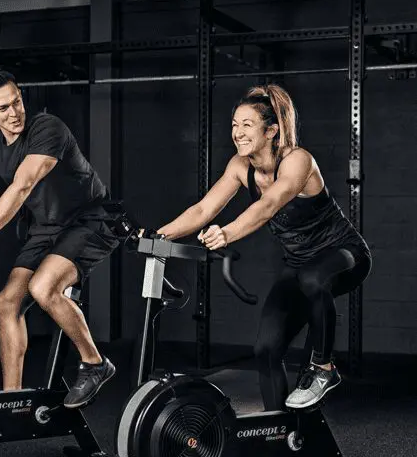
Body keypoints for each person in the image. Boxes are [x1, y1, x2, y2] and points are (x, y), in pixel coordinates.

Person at [157, 84, 371, 413]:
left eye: (247, 125)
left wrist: (226, 234)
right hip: (299, 264)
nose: (238, 133)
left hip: (344, 254)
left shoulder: (298, 160)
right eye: (234, 125)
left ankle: (323, 369)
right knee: (266, 349)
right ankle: (276, 437)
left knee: (314, 280)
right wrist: (159, 236)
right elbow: (203, 210)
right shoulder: (239, 167)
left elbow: (269, 205)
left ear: (271, 131)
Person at [0, 68, 119, 408]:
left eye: (17, 102)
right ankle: (11, 402)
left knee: (44, 288)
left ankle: (95, 363)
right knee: (7, 302)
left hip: (90, 220)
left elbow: (23, 184)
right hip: (47, 228)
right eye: (3, 108)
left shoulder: (47, 128)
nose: (14, 113)